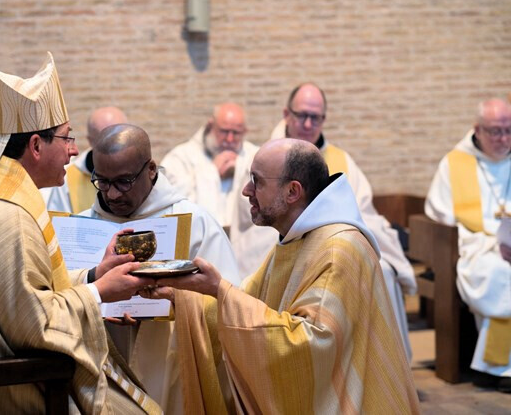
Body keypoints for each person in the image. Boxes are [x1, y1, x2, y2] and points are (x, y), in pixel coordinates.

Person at [0, 54, 161, 414]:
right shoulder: (9, 214)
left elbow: (16, 299)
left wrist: (96, 274)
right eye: (66, 138)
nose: (75, 150)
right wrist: (99, 293)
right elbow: (33, 324)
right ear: (35, 146)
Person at [146, 138, 420, 414]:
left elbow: (311, 345)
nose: (245, 190)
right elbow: (250, 300)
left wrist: (220, 289)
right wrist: (180, 298)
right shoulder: (299, 237)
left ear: (292, 191)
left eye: (257, 180)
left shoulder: (338, 249)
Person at [231, 83, 417, 360]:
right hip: (276, 243)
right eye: (301, 115)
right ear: (286, 113)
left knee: (383, 271)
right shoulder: (262, 158)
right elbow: (249, 213)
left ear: (323, 119)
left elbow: (364, 211)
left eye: (315, 117)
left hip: (330, 247)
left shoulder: (343, 161)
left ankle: (373, 360)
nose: (308, 123)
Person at [80, 123, 241, 413]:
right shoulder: (81, 227)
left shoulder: (194, 224)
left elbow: (230, 304)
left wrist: (175, 300)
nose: (112, 195)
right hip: (102, 373)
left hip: (171, 370)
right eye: (102, 182)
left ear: (151, 169)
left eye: (123, 182)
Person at [425, 98, 511, 388]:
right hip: (474, 248)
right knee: (501, 271)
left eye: (509, 130)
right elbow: (441, 218)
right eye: (496, 131)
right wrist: (490, 243)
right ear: (477, 129)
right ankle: (496, 367)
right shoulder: (454, 163)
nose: (504, 139)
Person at [161, 102, 258, 230]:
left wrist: (240, 170)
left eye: (236, 133)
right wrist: (210, 172)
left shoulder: (254, 156)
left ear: (245, 131)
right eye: (224, 131)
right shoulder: (180, 158)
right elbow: (171, 204)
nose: (229, 139)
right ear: (210, 126)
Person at [43, 106, 128, 213]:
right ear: (90, 141)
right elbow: (60, 223)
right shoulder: (66, 178)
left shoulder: (140, 172)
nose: (113, 148)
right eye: (105, 141)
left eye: (118, 139)